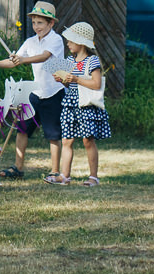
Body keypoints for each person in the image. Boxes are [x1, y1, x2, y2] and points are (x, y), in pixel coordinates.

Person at [0, 1, 65, 181]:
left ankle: (55, 170)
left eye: (40, 23)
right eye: (34, 23)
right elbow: (14, 61)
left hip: (54, 93)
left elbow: (44, 57)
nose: (37, 27)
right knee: (22, 129)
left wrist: (22, 60)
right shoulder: (30, 41)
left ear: (51, 23)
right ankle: (18, 168)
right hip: (36, 92)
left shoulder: (56, 40)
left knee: (53, 134)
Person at [44, 21, 111, 186]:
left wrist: (76, 79)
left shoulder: (92, 61)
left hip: (86, 104)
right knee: (67, 140)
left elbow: (96, 84)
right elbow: (69, 84)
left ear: (81, 42)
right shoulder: (69, 60)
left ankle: (93, 176)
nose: (68, 43)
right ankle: (64, 176)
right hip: (70, 103)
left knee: (88, 140)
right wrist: (62, 80)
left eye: (71, 40)